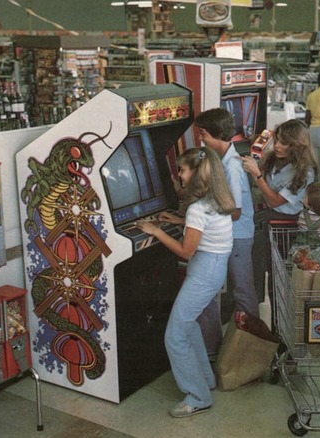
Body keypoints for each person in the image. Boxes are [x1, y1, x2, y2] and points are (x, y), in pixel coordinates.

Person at [136, 147, 235, 418]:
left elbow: (185, 251)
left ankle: (197, 396)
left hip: (203, 271)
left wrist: (156, 230)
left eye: (182, 169)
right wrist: (178, 220)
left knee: (175, 335)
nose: (178, 174)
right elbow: (205, 228)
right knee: (188, 324)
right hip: (215, 269)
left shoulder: (197, 208)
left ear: (195, 173)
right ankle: (206, 379)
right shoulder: (217, 198)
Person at [193, 108, 259, 359]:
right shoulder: (221, 160)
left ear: (217, 134)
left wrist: (203, 213)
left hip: (237, 236)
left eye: (204, 134)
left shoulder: (231, 166)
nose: (201, 139)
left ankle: (252, 347)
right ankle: (215, 350)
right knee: (213, 291)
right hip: (226, 236)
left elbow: (234, 211)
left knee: (242, 291)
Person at [239, 119, 317, 219]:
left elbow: (274, 202)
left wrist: (257, 175)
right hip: (267, 213)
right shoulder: (274, 157)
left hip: (287, 220)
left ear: (297, 146)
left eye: (283, 143)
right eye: (277, 140)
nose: (276, 146)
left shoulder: (306, 173)